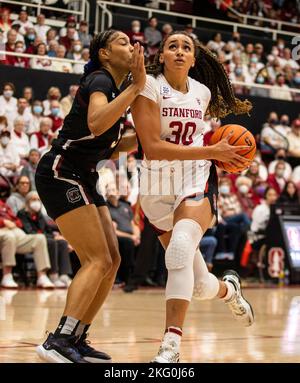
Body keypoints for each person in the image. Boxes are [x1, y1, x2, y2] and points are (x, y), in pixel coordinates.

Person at [131, 30, 254, 363]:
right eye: (173, 46)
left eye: (187, 47)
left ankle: (171, 344)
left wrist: (220, 152)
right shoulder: (149, 87)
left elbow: (204, 141)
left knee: (181, 249)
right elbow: (153, 149)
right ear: (163, 56)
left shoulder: (201, 92)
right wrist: (212, 148)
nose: (181, 51)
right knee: (200, 286)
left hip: (195, 178)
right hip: (155, 187)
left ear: (194, 59)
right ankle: (230, 290)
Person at [35, 30, 145, 363]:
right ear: (104, 54)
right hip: (59, 172)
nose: (131, 46)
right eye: (123, 42)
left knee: (112, 260)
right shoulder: (99, 80)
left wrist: (150, 136)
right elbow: (97, 123)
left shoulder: (115, 90)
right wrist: (137, 87)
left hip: (83, 175)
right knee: (97, 259)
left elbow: (110, 147)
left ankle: (77, 336)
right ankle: (58, 340)